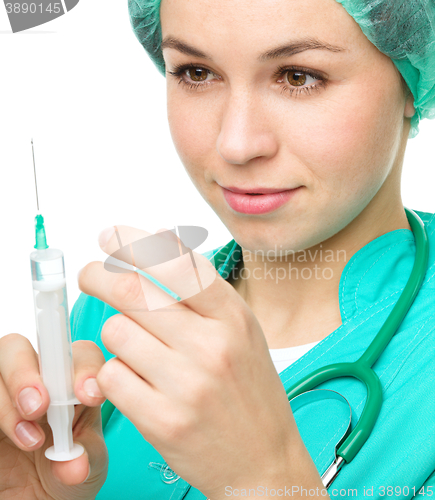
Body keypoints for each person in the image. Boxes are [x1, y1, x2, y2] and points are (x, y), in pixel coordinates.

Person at [0, 0, 434, 498]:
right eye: (197, 72)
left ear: (410, 74)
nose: (236, 143)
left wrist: (267, 481)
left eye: (298, 76)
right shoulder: (118, 317)